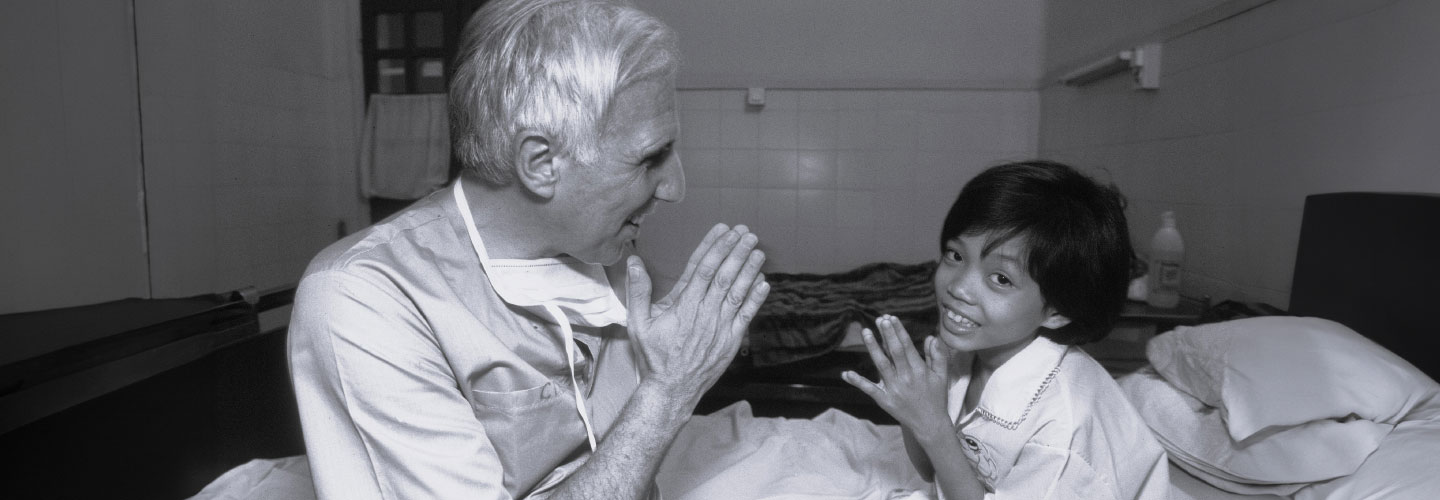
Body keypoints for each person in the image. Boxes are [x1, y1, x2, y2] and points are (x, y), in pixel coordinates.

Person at [287, 0, 770, 498]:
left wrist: (677, 357)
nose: (674, 187)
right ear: (541, 163)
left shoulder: (606, 255)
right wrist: (667, 393)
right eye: (651, 158)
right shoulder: (362, 298)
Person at [842, 161, 1169, 499]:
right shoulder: (965, 350)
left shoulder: (1063, 427)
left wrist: (934, 426)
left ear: (1058, 311)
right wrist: (914, 412)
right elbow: (930, 470)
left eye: (1000, 278)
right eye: (955, 255)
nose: (959, 288)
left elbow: (941, 446)